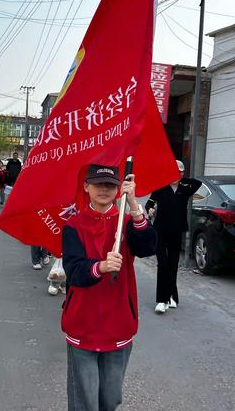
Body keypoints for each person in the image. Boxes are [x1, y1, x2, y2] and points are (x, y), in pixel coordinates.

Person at [62, 164, 157, 411]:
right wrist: (101, 267)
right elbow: (74, 273)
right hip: (82, 323)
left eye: (111, 185)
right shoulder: (74, 226)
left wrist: (135, 206)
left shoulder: (126, 221)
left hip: (119, 324)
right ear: (86, 187)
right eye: (98, 184)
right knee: (85, 402)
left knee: (110, 399)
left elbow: (148, 247)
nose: (104, 189)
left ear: (119, 189)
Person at [146, 160, 202, 314]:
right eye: (175, 172)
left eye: (180, 173)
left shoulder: (185, 188)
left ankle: (172, 296)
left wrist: (182, 178)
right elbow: (149, 204)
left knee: (172, 264)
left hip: (176, 231)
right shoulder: (161, 187)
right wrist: (150, 210)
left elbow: (198, 183)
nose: (177, 175)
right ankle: (161, 300)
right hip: (160, 231)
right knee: (162, 264)